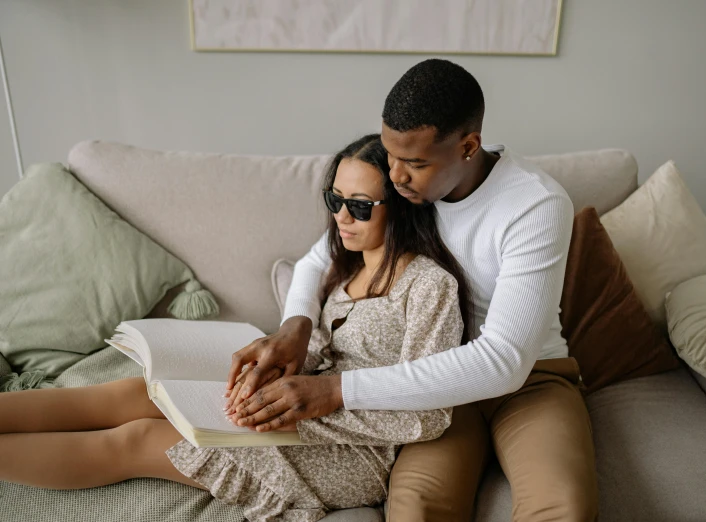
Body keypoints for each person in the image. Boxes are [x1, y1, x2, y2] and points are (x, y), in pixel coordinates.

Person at [0, 134, 473, 520]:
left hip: (350, 452)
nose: (342, 217)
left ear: (404, 206)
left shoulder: (430, 287)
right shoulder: (344, 268)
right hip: (289, 409)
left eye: (362, 206)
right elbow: (319, 350)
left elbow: (429, 415)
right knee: (136, 393)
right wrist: (269, 375)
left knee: (138, 439)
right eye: (335, 199)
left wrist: (315, 400)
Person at [227, 59, 599, 521]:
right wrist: (296, 324)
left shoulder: (534, 204)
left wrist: (338, 390)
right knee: (414, 508)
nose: (396, 175)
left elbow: (503, 361)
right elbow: (315, 259)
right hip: (430, 387)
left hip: (529, 380)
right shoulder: (411, 191)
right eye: (391, 155)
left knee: (563, 507)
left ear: (468, 146)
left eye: (415, 162)